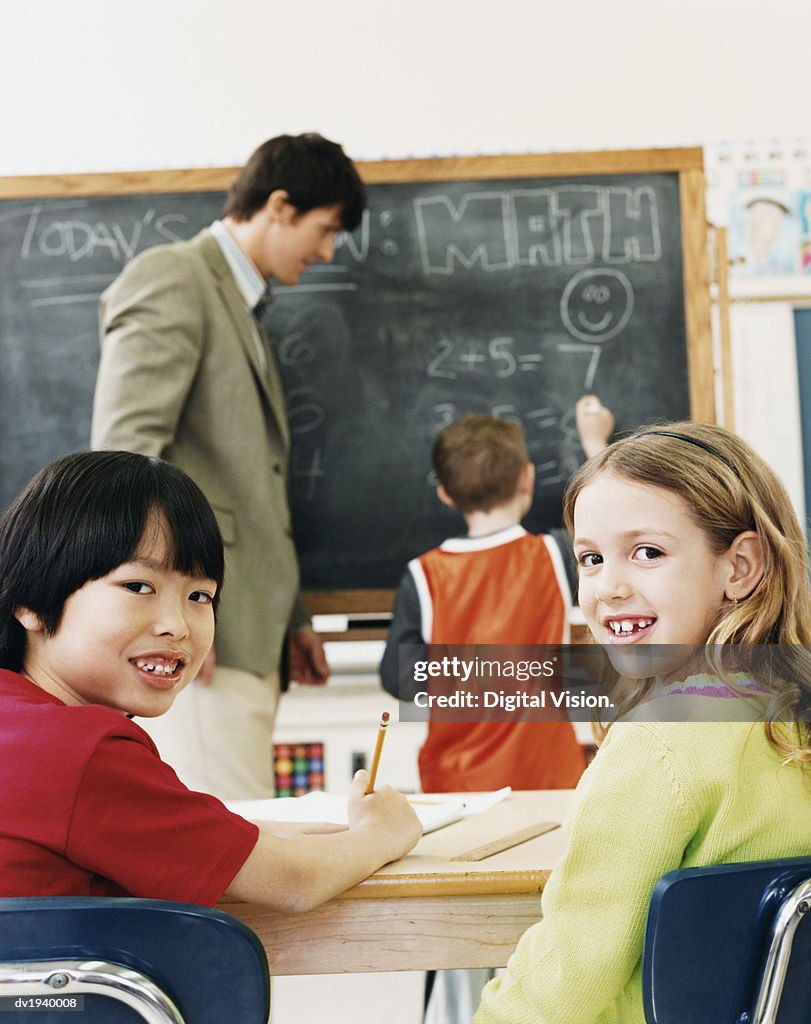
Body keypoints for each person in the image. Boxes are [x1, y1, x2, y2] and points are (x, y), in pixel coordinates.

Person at [474, 421, 811, 1024]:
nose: (608, 587)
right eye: (591, 559)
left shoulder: (659, 745)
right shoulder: (794, 716)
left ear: (740, 568)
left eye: (647, 552)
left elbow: (564, 982)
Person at [0, 450, 420, 905]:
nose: (176, 626)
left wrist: (247, 835)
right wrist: (384, 832)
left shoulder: (19, 723)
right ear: (30, 600)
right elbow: (293, 883)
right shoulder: (84, 752)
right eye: (139, 586)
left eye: (200, 595)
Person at [91, 133, 367, 800]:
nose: (328, 252)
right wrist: (176, 615)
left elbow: (255, 487)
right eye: (325, 229)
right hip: (199, 628)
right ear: (278, 205)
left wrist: (294, 615)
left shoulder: (247, 310)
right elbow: (123, 460)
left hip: (242, 628)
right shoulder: (175, 278)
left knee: (243, 831)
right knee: (233, 848)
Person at [380, 396, 614, 793]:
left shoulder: (422, 575)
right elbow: (615, 520)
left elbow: (398, 679)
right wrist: (595, 442)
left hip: (455, 780)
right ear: (527, 478)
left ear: (446, 496)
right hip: (547, 774)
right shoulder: (555, 554)